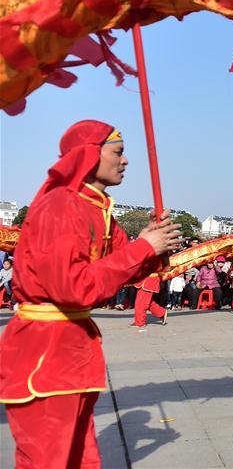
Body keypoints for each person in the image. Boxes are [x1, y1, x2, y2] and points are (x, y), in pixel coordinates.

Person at [0, 120, 181, 468]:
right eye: (118, 152)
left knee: (82, 458)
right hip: (45, 353)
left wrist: (154, 245)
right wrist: (144, 247)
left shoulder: (97, 208)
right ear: (87, 156)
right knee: (48, 462)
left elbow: (123, 266)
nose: (126, 161)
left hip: (71, 354)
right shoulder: (60, 206)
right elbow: (72, 288)